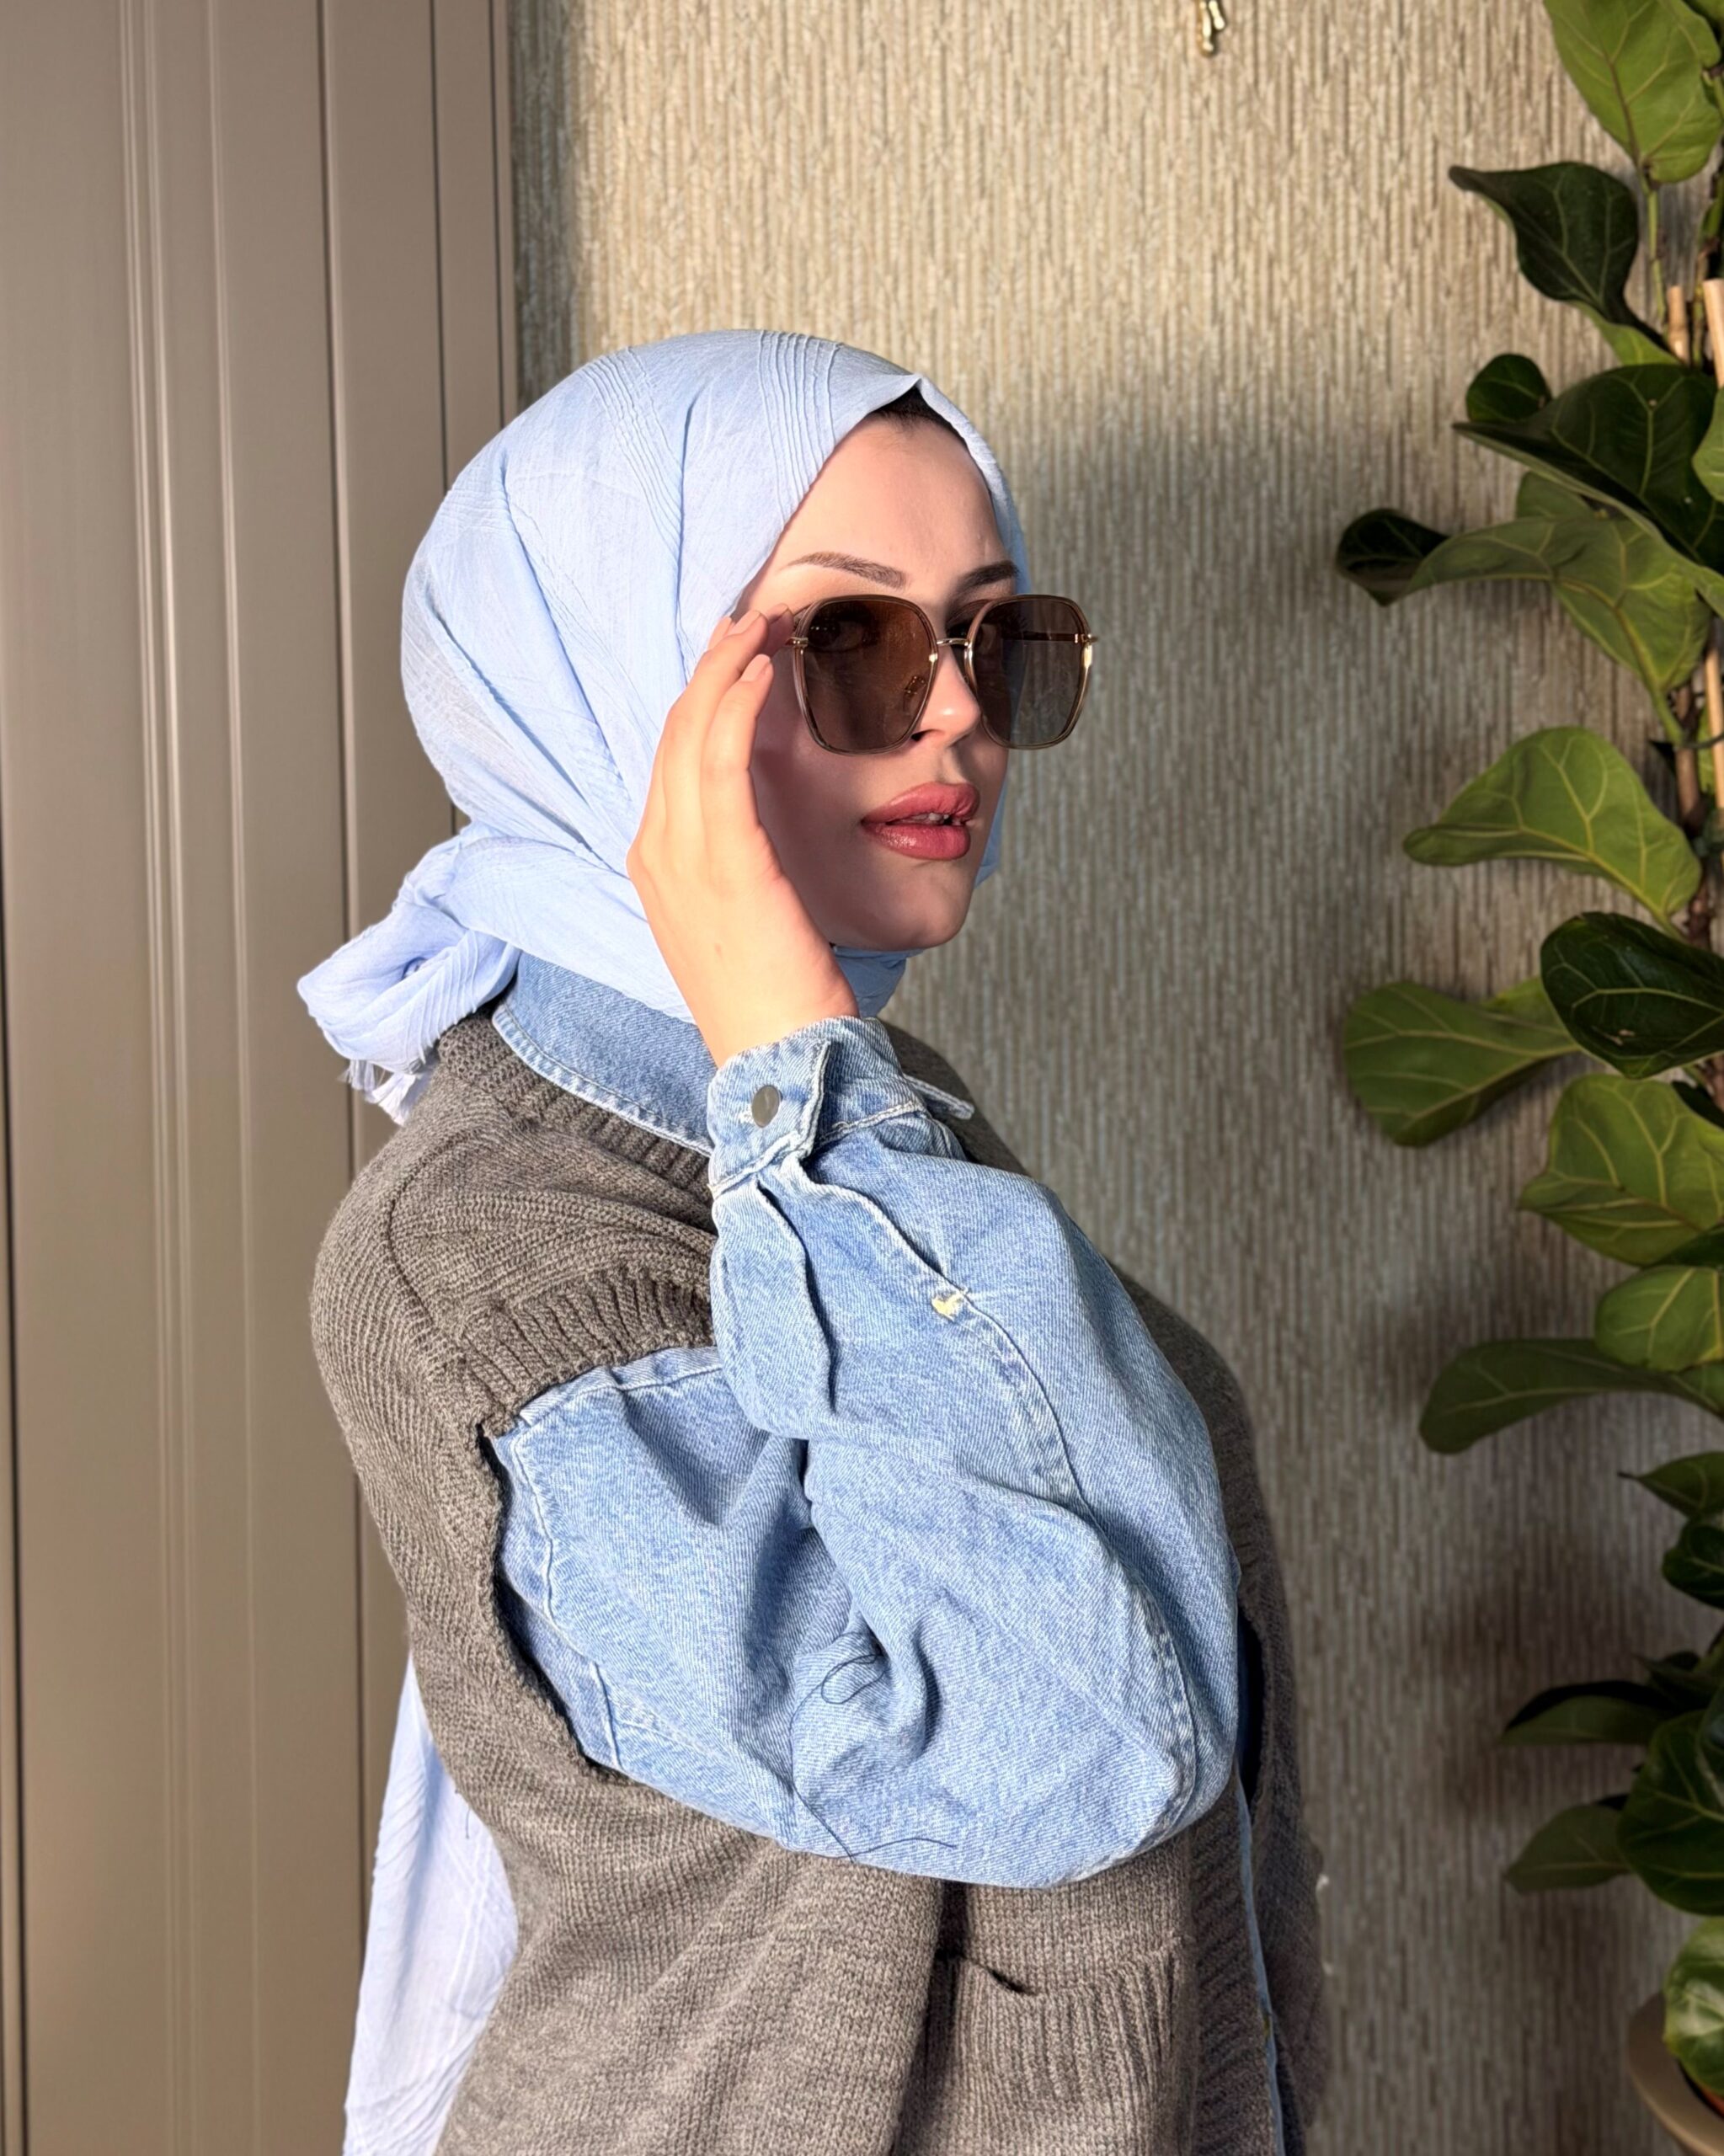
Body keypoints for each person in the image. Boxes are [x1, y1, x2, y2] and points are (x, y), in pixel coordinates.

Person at [301, 328, 1329, 2156]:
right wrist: (788, 1048)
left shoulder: (844, 1108)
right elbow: (1069, 1739)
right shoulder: (491, 1248)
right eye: (851, 640)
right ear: (613, 682)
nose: (957, 717)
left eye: (997, 639)